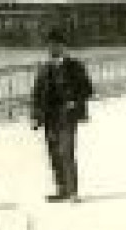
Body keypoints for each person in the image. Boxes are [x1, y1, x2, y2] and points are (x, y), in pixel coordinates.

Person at [30, 32, 94, 202]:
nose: (52, 48)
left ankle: (72, 192)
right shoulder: (44, 68)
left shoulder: (75, 66)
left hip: (68, 115)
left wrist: (75, 100)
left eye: (56, 45)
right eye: (50, 45)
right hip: (49, 117)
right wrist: (35, 116)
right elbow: (36, 94)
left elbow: (88, 89)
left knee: (66, 151)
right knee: (53, 153)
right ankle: (61, 189)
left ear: (63, 46)